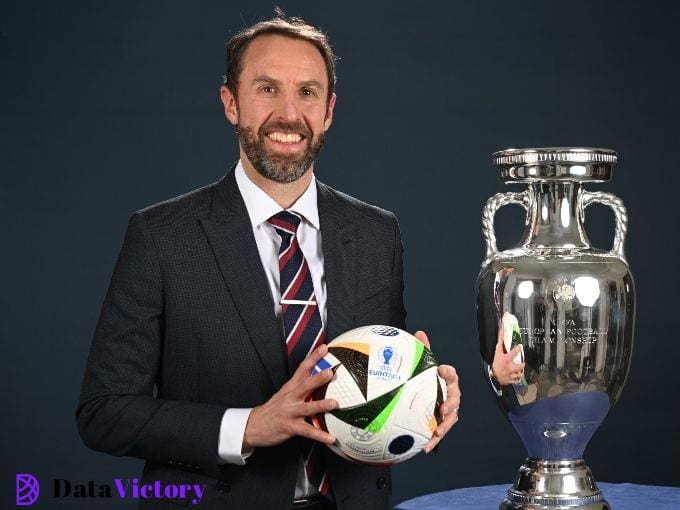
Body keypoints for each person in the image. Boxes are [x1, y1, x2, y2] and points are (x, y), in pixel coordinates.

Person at [76, 12, 460, 510]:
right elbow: (103, 413)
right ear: (231, 104)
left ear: (328, 111)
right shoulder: (161, 237)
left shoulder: (377, 233)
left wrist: (425, 397)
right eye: (267, 89)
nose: (289, 114)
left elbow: (377, 383)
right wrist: (249, 426)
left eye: (307, 92)